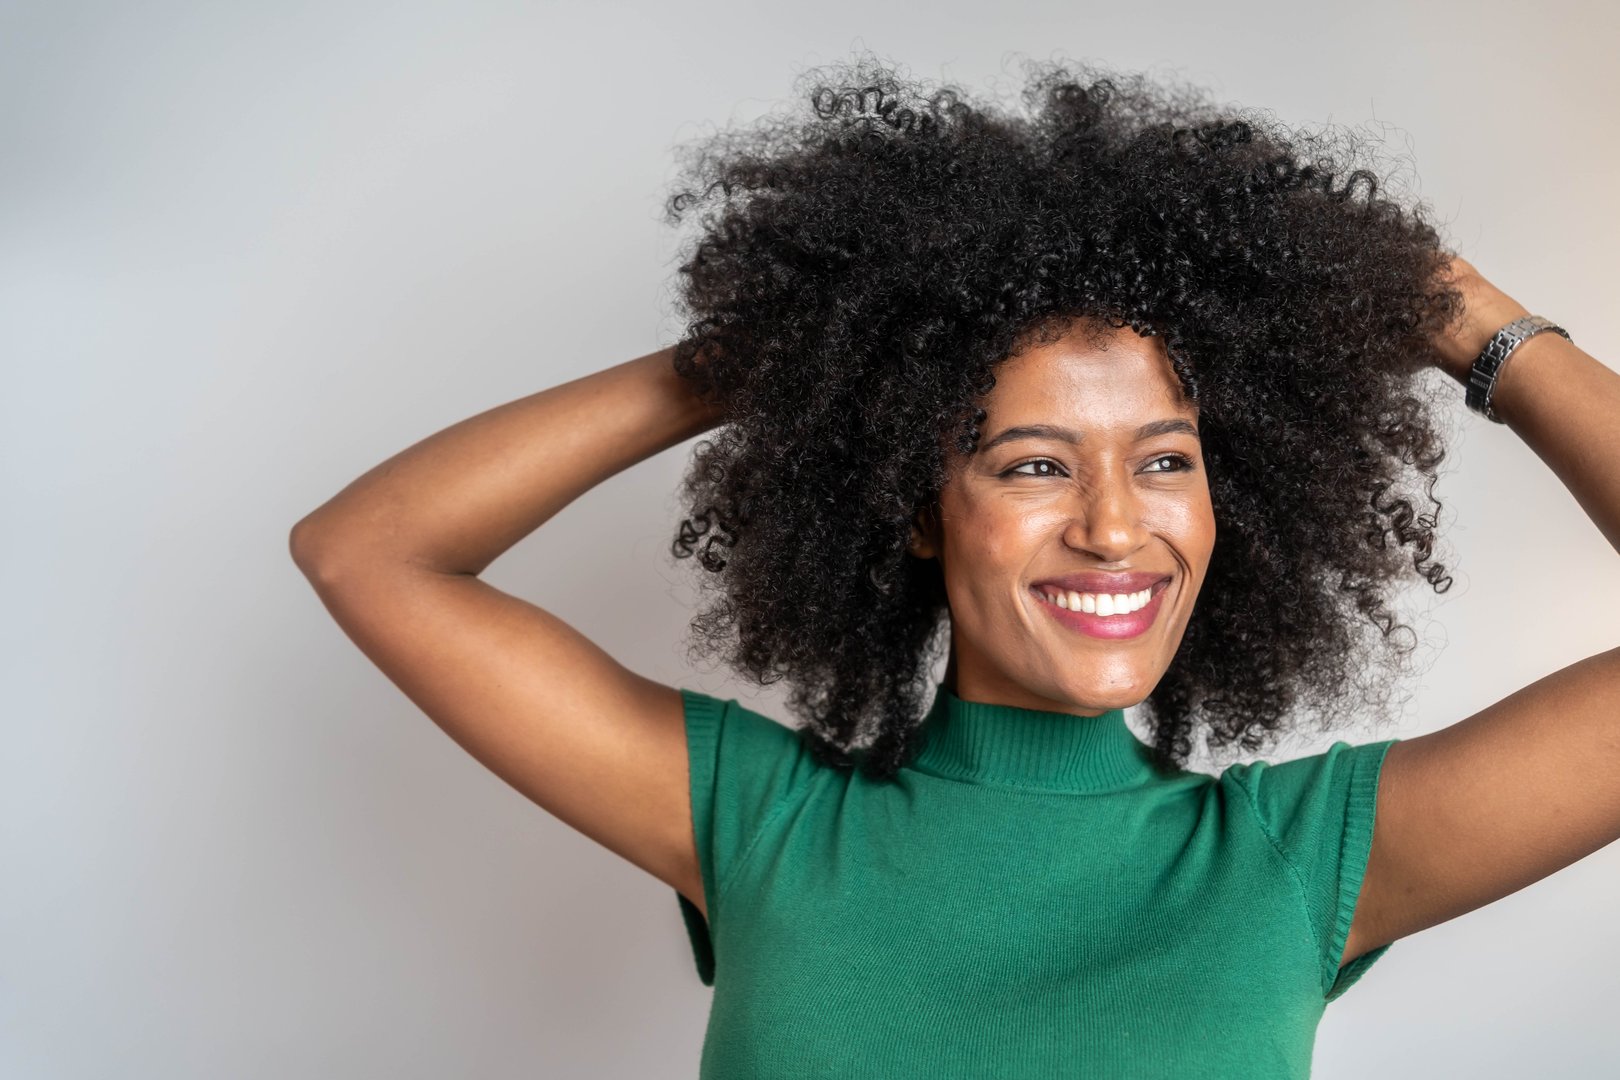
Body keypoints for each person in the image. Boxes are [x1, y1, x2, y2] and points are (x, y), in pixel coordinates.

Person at [290, 53, 1620, 1079]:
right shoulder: (762, 823)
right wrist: (775, 354)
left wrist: (1471, 320)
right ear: (918, 505)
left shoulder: (1296, 860)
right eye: (1034, 466)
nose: (1114, 527)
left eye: (1165, 460)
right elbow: (366, 553)